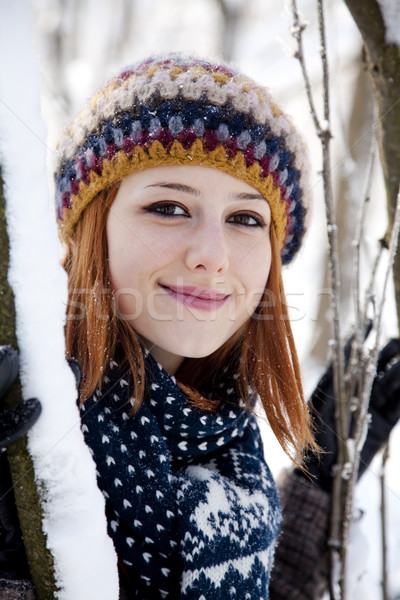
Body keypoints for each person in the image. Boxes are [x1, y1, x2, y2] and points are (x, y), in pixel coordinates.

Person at [1, 53, 399, 599]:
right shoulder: (21, 414)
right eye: (167, 207)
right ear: (93, 230)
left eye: (245, 219)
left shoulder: (233, 455)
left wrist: (319, 484)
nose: (212, 255)